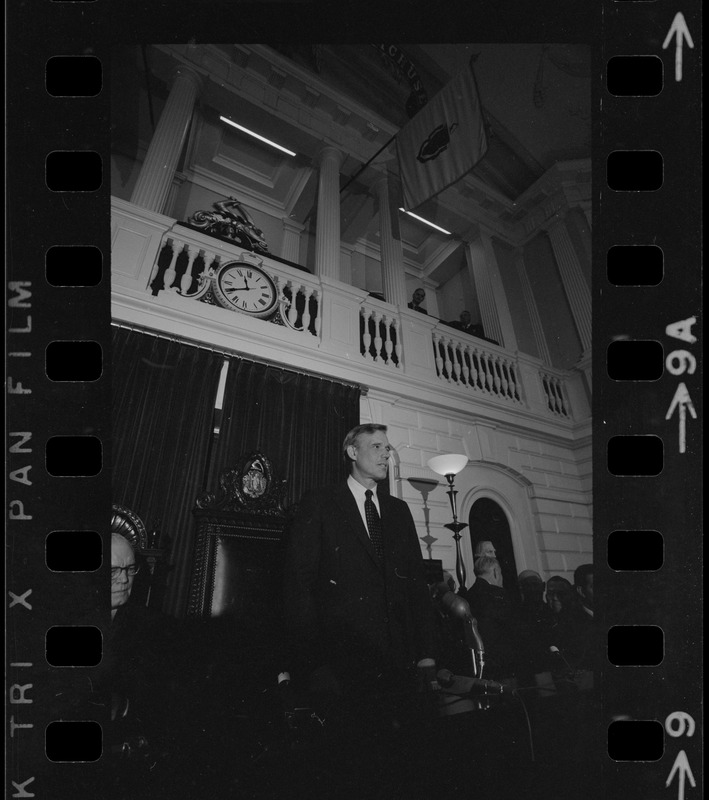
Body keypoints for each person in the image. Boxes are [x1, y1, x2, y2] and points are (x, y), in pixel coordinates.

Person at [282, 423, 439, 795]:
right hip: (341, 665)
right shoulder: (320, 502)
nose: (387, 454)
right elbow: (298, 586)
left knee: (400, 768)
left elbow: (417, 587)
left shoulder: (399, 511)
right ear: (352, 452)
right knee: (350, 770)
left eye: (389, 448)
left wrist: (428, 653)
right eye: (377, 446)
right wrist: (311, 661)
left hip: (398, 662)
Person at [462, 556, 519, 683]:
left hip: (477, 664)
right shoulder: (499, 595)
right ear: (495, 572)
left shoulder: (468, 595)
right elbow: (513, 629)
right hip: (502, 665)